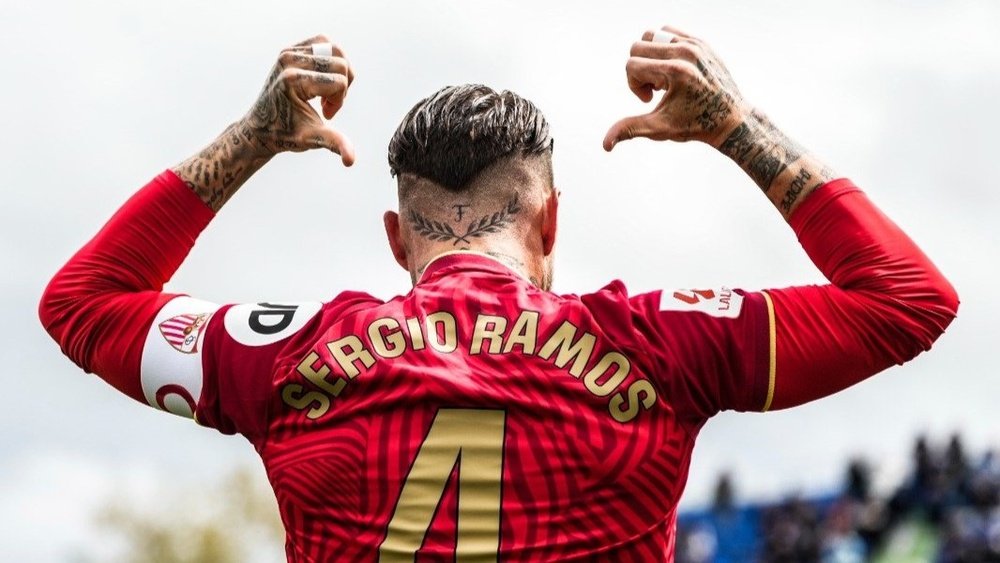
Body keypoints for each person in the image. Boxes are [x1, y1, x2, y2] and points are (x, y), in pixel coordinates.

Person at [39, 26, 958, 561]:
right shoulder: (659, 344)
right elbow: (908, 300)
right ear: (551, 223)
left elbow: (82, 301)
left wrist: (252, 137)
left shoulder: (286, 358)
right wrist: (734, 125)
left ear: (396, 239)